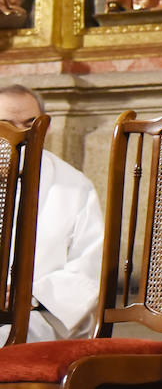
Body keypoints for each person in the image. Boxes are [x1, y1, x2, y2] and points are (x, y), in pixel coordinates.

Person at [0, 85, 103, 343]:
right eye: (6, 125)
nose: (21, 134)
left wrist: (28, 295)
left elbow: (90, 267)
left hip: (37, 317)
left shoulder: (74, 186)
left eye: (30, 124)